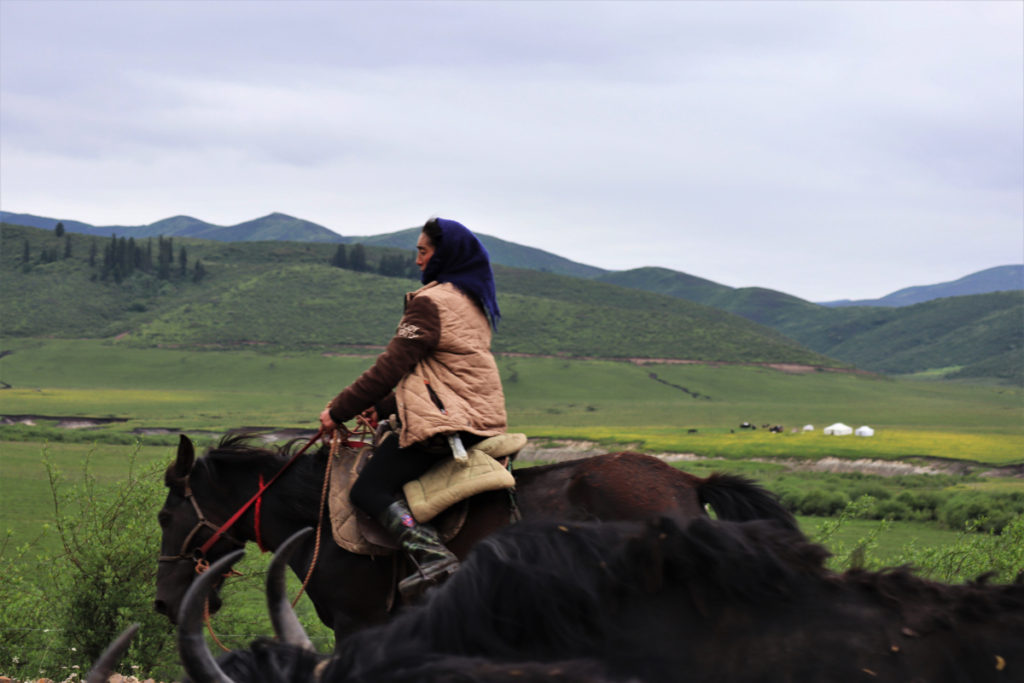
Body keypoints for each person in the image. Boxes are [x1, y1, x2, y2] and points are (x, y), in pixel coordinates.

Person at [319, 217, 507, 599]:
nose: (418, 261)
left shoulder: (430, 304)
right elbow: (436, 372)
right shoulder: (470, 301)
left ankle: (433, 556)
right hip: (477, 416)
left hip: (447, 423)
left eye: (423, 252)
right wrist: (383, 406)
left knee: (368, 490)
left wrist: (337, 411)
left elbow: (391, 367)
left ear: (444, 253)